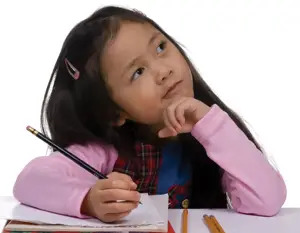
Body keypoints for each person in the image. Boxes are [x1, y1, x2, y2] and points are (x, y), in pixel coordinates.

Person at [13, 6, 286, 223]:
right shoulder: (106, 152)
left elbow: (269, 199)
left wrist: (211, 125)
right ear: (115, 113)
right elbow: (29, 181)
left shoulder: (213, 137)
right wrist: (88, 200)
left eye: (160, 47)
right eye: (137, 72)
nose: (163, 70)